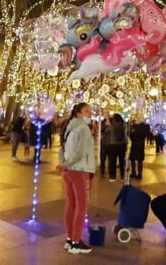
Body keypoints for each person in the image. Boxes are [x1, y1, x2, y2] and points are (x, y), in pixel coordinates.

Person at [57, 103, 95, 255]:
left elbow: (62, 147)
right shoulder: (83, 128)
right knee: (82, 205)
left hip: (68, 171)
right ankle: (76, 241)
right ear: (78, 113)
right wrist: (66, 164)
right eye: (86, 111)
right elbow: (80, 153)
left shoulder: (68, 126)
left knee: (71, 204)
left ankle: (70, 239)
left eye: (90, 111)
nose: (90, 113)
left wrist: (63, 163)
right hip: (80, 170)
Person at [108, 114, 128, 182]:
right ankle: (122, 177)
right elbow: (127, 134)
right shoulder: (124, 125)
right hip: (122, 145)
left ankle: (112, 177)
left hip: (113, 145)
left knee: (112, 162)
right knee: (122, 161)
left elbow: (106, 130)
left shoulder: (112, 126)